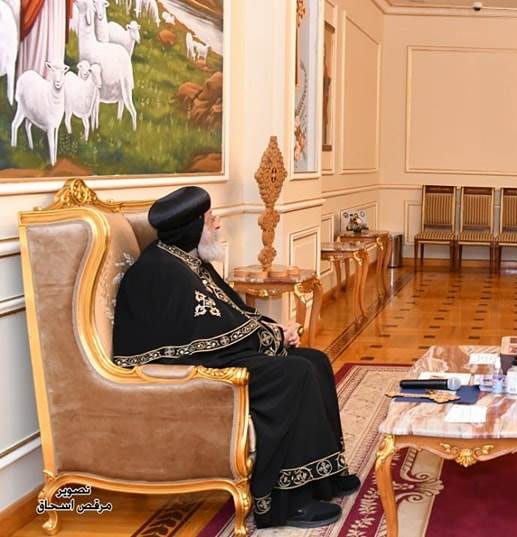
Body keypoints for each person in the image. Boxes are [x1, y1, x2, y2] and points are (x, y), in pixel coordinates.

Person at [112, 187, 359, 529]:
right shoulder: (163, 271)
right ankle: (288, 503)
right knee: (295, 373)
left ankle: (324, 476)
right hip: (183, 368)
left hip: (208, 353)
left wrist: (274, 330)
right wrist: (274, 338)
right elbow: (207, 334)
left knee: (314, 361)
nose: (217, 224)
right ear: (191, 227)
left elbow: (232, 314)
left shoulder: (185, 259)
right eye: (210, 219)